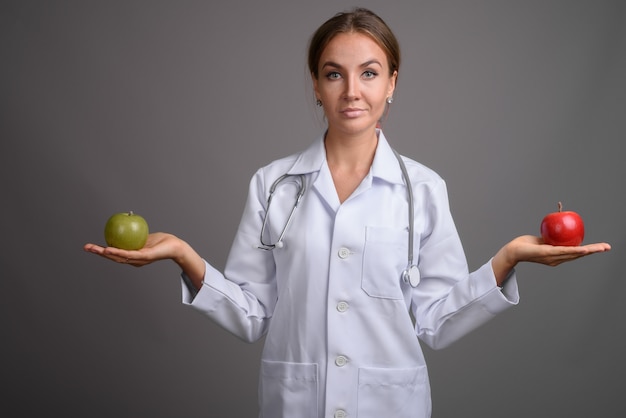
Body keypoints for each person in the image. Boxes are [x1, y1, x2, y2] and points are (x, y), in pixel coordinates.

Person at [84, 8, 610, 418]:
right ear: (316, 85)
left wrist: (508, 259)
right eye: (334, 74)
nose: (352, 91)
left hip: (392, 405)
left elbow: (437, 322)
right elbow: (250, 315)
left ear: (392, 84)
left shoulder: (423, 189)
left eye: (369, 73)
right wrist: (183, 256)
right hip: (296, 404)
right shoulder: (273, 185)